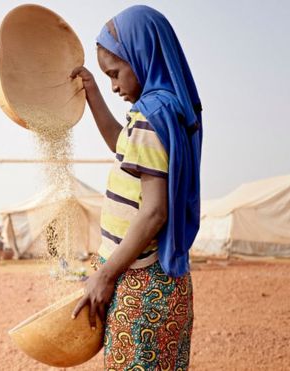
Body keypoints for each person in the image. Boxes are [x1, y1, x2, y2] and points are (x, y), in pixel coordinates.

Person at [70, 6, 202, 370]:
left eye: (115, 73)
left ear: (141, 56)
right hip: (165, 286)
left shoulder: (148, 116)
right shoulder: (169, 110)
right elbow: (124, 147)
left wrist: (106, 273)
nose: (114, 85)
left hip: (141, 287)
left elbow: (155, 210)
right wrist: (93, 94)